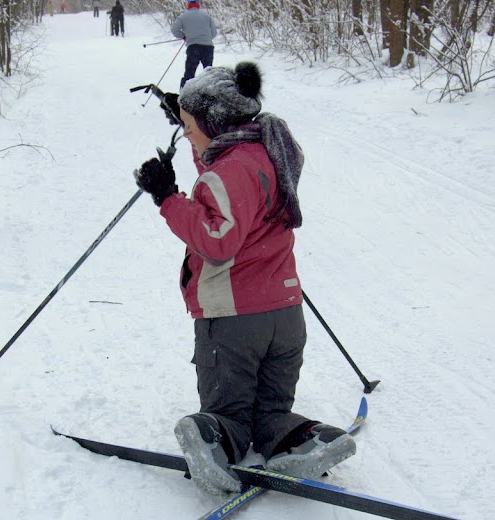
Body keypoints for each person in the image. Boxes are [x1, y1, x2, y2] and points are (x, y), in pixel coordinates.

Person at [133, 63, 356, 494]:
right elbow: (230, 182)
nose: (184, 135)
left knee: (230, 412)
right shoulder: (267, 151)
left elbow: (217, 239)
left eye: (189, 127)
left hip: (233, 322)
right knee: (271, 412)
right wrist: (188, 120)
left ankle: (213, 439)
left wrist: (167, 198)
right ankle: (308, 439)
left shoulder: (226, 173)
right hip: (285, 317)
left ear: (215, 124)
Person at [171, 1, 216, 89]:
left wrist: (183, 36)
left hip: (193, 47)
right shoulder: (207, 16)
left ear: (188, 5)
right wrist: (206, 38)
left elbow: (174, 29)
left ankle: (184, 91)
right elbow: (214, 33)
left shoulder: (183, 16)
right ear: (198, 5)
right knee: (208, 72)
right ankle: (210, 90)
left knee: (190, 72)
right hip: (208, 47)